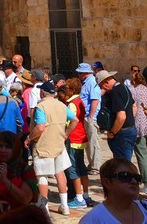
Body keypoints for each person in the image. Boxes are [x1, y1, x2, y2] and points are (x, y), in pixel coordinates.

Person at [25, 80, 73, 215]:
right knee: (60, 173)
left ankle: (44, 207)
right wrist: (66, 133)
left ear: (42, 93)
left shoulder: (41, 106)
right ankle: (64, 206)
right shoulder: (62, 105)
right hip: (58, 143)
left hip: (44, 144)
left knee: (42, 176)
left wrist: (29, 138)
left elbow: (40, 127)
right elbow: (74, 119)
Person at [80, 158, 147, 223]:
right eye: (125, 176)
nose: (134, 181)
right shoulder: (93, 219)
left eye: (137, 177)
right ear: (107, 182)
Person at [0, 131, 36, 222]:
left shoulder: (25, 170)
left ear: (15, 149)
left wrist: (5, 180)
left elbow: (25, 199)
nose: (3, 150)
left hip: (21, 219)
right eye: (0, 146)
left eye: (8, 147)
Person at [59, 77, 90, 209]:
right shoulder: (80, 101)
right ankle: (86, 195)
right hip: (81, 137)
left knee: (73, 168)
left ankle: (78, 197)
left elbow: (70, 121)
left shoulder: (72, 103)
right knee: (81, 167)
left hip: (73, 138)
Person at [98, 69, 137, 160]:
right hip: (130, 129)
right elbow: (134, 106)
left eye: (101, 86)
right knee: (126, 161)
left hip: (122, 133)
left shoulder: (115, 92)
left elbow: (121, 117)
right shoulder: (124, 87)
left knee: (122, 164)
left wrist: (112, 132)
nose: (102, 89)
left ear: (106, 82)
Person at [76, 63, 103, 172]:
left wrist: (91, 117)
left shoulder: (92, 82)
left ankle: (96, 166)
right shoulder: (86, 83)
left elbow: (95, 101)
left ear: (84, 73)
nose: (78, 74)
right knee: (88, 142)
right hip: (85, 115)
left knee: (93, 142)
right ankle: (92, 164)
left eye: (79, 73)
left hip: (89, 116)